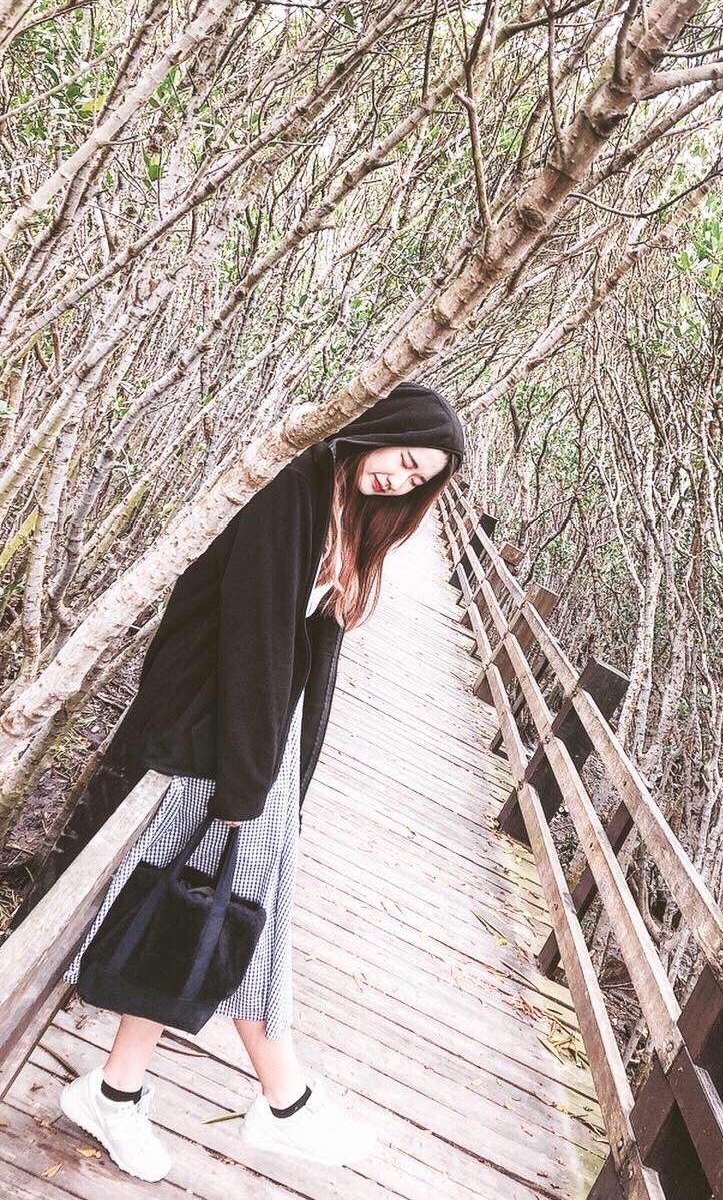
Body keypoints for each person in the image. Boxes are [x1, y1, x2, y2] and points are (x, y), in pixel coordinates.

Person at [56, 381, 466, 1182]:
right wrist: (248, 788)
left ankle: (127, 1091)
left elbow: (301, 660)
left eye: (416, 480)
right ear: (381, 428)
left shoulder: (341, 507)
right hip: (210, 739)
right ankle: (281, 1098)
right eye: (404, 459)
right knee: (239, 908)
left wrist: (273, 780)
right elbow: (253, 643)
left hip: (248, 747)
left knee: (222, 908)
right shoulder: (296, 486)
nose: (399, 479)